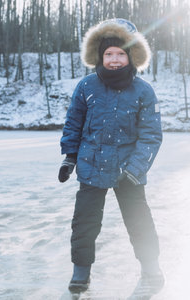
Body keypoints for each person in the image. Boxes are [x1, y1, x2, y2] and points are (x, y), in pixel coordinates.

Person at [58, 18, 164, 294]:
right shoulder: (86, 87)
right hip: (91, 166)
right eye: (108, 54)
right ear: (99, 56)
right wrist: (69, 157)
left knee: (139, 221)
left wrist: (135, 169)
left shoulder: (143, 91)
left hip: (128, 171)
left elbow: (151, 135)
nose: (114, 60)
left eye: (120, 53)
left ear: (131, 56)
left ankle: (151, 267)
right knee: (84, 223)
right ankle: (81, 271)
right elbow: (74, 124)